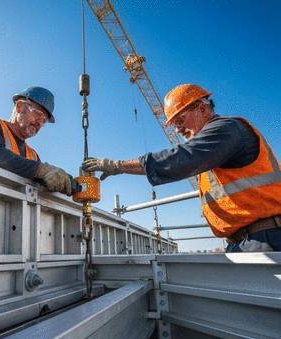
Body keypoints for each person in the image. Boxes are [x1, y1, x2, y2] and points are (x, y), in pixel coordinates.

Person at [82, 83, 281, 252]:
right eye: (174, 125)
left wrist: (118, 166)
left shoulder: (227, 129)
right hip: (248, 239)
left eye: (180, 120)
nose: (177, 130)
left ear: (202, 109)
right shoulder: (215, 151)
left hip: (266, 237)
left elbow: (181, 159)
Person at [0, 86, 72, 195]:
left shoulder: (32, 155)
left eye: (44, 120)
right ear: (19, 106)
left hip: (10, 207)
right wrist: (41, 170)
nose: (40, 123)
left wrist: (65, 181)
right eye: (38, 114)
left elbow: (42, 181)